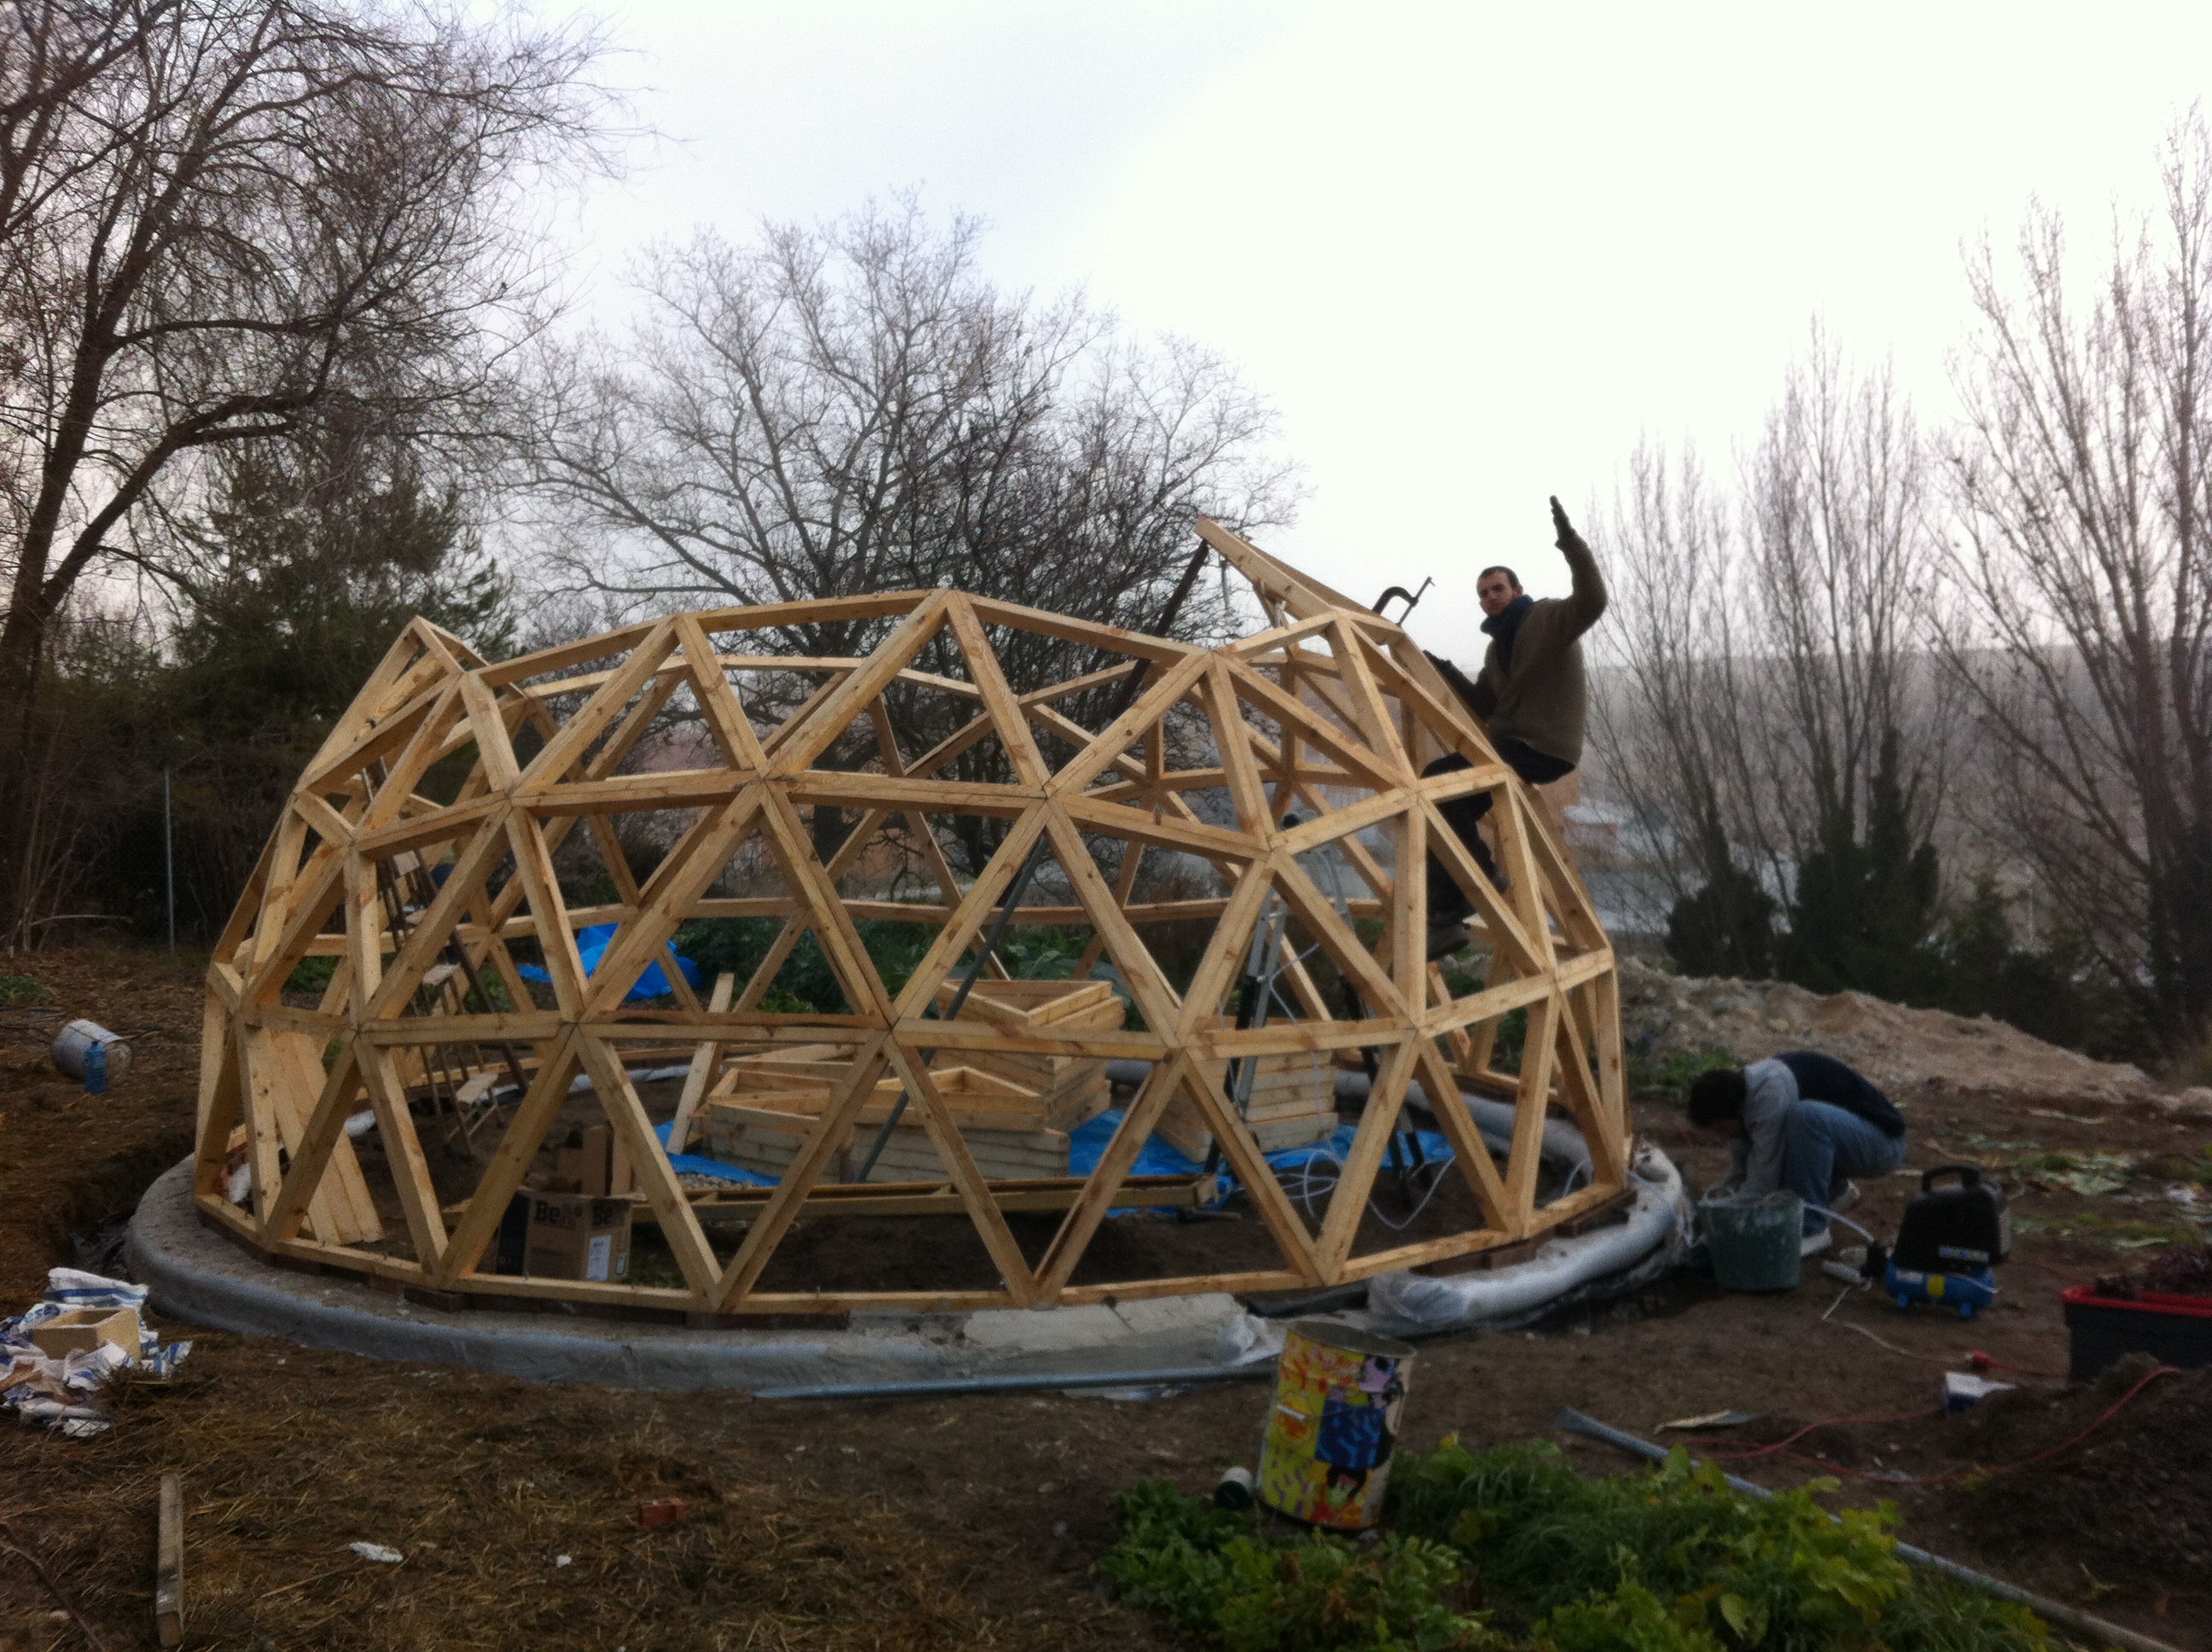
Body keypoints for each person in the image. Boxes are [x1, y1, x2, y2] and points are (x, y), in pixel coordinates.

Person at [1423, 496, 1609, 959]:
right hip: (1512, 746)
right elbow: (1486, 704)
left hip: (1541, 747)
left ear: (1516, 589)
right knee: (1440, 794)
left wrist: (1570, 542)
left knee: (1439, 782)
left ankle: (1475, 884)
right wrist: (1442, 670)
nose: (1490, 597)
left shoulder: (1546, 619)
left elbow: (1593, 600)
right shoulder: (1496, 649)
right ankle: (1450, 913)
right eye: (1483, 593)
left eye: (1498, 588)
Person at [1686, 1050, 1910, 1255]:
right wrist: (1714, 1219)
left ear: (1736, 1110)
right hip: (1849, 1138)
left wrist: (1727, 1225)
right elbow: (1742, 1169)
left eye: (1723, 1129)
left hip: (1882, 1144)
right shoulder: (1742, 1097)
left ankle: (1813, 1229)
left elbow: (1764, 1178)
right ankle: (1836, 1192)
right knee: (1763, 1144)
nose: (1723, 1137)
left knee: (1806, 1118)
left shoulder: (1770, 1094)